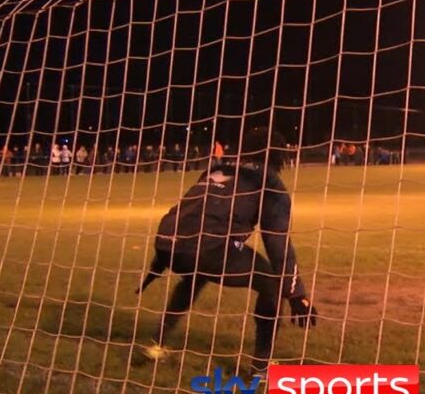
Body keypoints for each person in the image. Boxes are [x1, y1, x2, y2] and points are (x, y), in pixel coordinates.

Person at [136, 127, 318, 375]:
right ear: (278, 156)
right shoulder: (268, 181)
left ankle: (157, 344)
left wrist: (158, 262)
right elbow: (277, 241)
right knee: (272, 284)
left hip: (168, 242)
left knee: (195, 276)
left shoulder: (218, 169)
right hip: (207, 246)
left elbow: (187, 213)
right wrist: (296, 294)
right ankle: (261, 368)